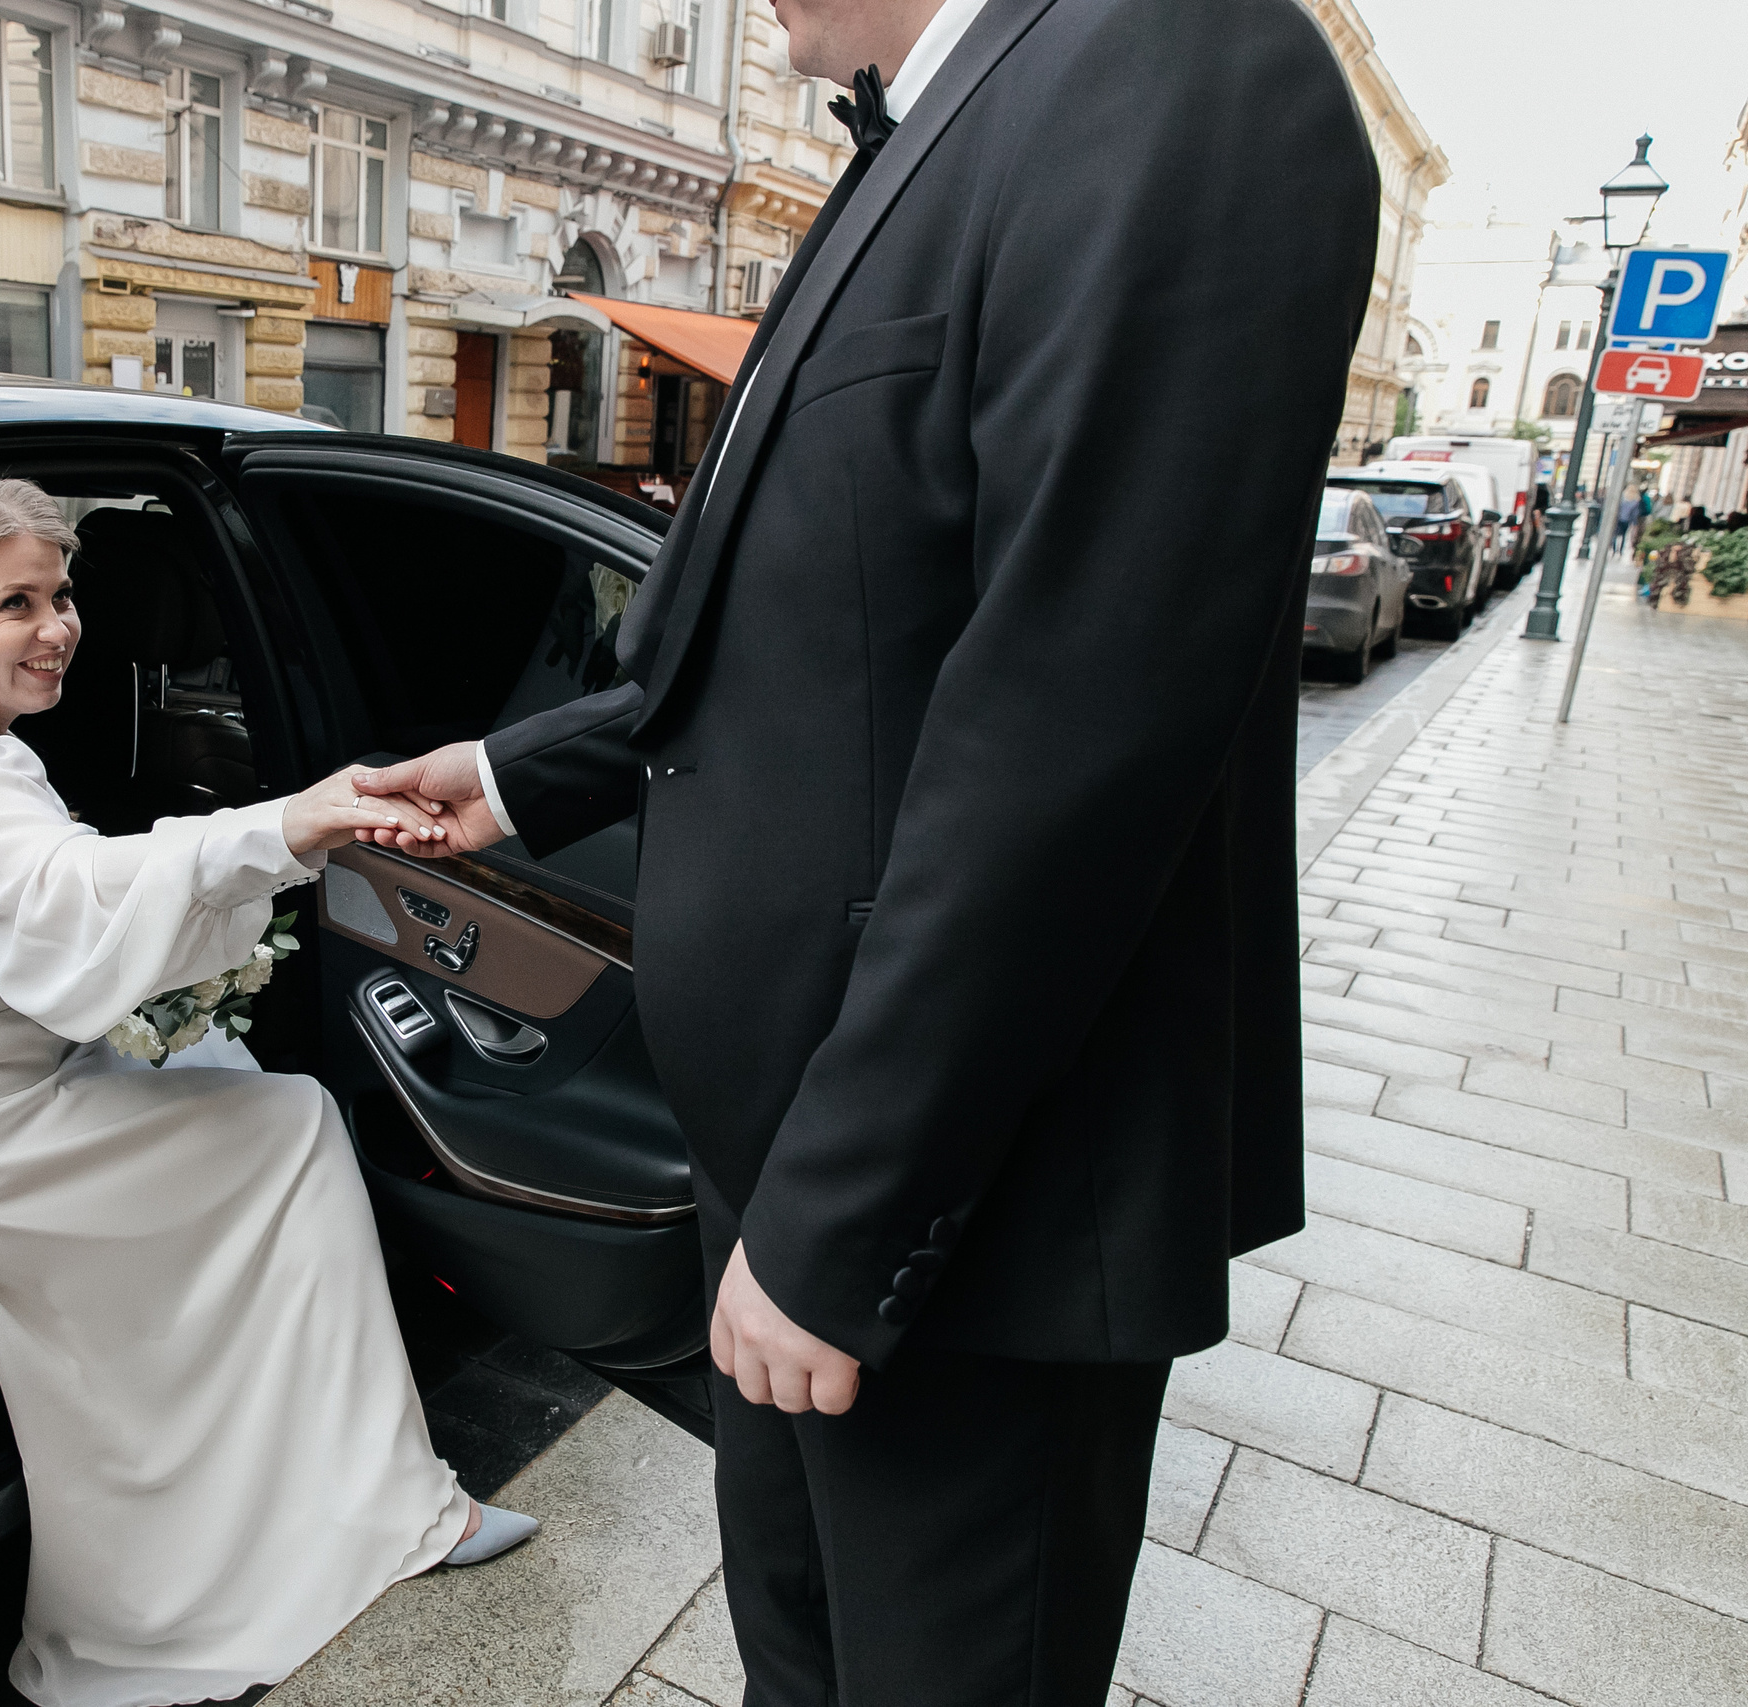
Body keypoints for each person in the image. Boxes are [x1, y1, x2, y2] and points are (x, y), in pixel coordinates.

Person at [355, 0, 1379, 1699]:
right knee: (805, 1662)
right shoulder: (955, 107)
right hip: (799, 1155)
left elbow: (1076, 725)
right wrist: (510, 773)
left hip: (960, 1207)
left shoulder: (1178, 62)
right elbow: (813, 637)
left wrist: (844, 1219)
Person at [0, 472, 535, 1707]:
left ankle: (324, 1484)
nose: (58, 625)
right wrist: (290, 825)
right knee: (290, 1127)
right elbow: (77, 903)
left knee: (237, 1090)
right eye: (13, 603)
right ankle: (395, 1515)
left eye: (62, 593)